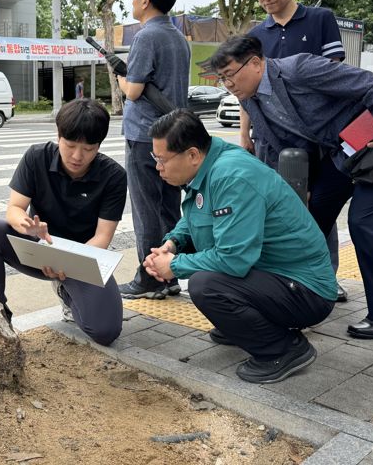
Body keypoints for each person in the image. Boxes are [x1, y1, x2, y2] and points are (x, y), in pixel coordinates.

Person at [208, 35, 373, 339]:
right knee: (301, 224)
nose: (227, 84)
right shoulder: (250, 98)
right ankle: (283, 307)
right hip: (344, 154)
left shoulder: (299, 69)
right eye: (221, 78)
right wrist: (289, 193)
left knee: (364, 226)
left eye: (230, 74)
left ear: (255, 63)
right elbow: (275, 144)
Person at [143, 110, 335, 384]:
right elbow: (199, 216)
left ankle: (284, 350)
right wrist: (172, 243)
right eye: (155, 159)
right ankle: (244, 325)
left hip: (307, 290)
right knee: (208, 282)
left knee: (205, 286)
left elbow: (233, 259)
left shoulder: (231, 176)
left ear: (193, 154)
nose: (158, 167)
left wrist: (173, 266)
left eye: (161, 160)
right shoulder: (211, 165)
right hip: (276, 276)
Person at [0, 98, 126, 346]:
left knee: (106, 331)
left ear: (99, 145)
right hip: (38, 247)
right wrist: (27, 225)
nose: (77, 156)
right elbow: (14, 208)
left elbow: (102, 237)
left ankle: (67, 291)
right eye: (70, 145)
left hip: (80, 258)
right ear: (58, 136)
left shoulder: (114, 176)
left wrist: (68, 263)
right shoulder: (37, 157)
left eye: (88, 149)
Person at [245, 0, 349, 302]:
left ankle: (325, 277)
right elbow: (247, 92)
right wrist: (244, 136)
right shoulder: (257, 35)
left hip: (317, 137)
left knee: (320, 207)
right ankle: (285, 277)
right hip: (273, 141)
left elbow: (334, 79)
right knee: (278, 209)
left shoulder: (320, 20)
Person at [116, 0, 191, 300]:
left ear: (145, 0)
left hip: (145, 135)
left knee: (146, 209)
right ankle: (169, 273)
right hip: (173, 137)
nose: (133, 1)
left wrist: (119, 77)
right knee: (168, 208)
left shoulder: (146, 35)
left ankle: (148, 278)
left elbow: (133, 91)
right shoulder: (178, 37)